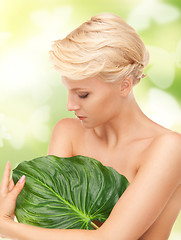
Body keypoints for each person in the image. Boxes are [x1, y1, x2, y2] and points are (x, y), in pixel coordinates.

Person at [0, 13, 180, 240]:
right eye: (69, 91)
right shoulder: (68, 132)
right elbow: (50, 224)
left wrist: (5, 226)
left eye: (83, 94)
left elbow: (112, 238)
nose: (70, 105)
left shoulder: (168, 148)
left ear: (124, 86)